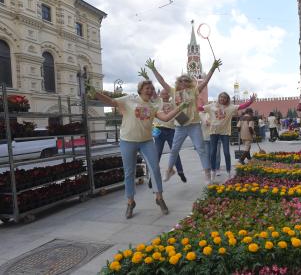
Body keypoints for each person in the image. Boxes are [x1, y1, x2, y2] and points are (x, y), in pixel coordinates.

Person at [86, 80, 188, 219]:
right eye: (147, 88)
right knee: (129, 172)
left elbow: (165, 118)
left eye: (152, 89)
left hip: (146, 141)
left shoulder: (153, 105)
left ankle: (159, 198)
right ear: (140, 89)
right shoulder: (129, 99)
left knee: (155, 168)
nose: (150, 90)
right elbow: (111, 102)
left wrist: (180, 107)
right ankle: (130, 202)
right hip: (127, 141)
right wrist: (95, 93)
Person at [146, 58, 222, 182]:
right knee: (174, 149)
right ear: (178, 82)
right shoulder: (173, 91)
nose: (184, 83)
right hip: (180, 124)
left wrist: (213, 68)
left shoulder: (194, 91)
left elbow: (206, 80)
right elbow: (162, 81)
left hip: (193, 124)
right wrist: (153, 69)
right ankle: (169, 170)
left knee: (200, 148)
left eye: (186, 81)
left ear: (190, 82)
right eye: (181, 81)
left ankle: (207, 173)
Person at [200, 92, 255, 181]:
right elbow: (200, 108)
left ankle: (228, 172)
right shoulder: (212, 106)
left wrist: (250, 101)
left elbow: (242, 106)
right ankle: (213, 171)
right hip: (214, 132)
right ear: (218, 97)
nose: (222, 99)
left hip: (225, 133)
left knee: (226, 152)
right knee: (213, 152)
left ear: (227, 99)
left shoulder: (230, 107)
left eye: (224, 97)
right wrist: (190, 104)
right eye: (221, 97)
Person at [152, 89, 187, 185]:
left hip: (172, 130)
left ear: (169, 95)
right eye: (162, 93)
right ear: (160, 94)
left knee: (175, 151)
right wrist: (147, 78)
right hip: (159, 130)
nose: (165, 94)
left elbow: (181, 117)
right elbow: (153, 92)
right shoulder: (158, 101)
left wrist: (187, 126)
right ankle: (153, 176)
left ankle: (180, 172)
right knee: (157, 153)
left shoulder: (173, 103)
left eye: (166, 93)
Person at [199, 109, 222, 176]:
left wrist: (212, 123)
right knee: (208, 155)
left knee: (217, 154)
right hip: (206, 137)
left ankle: (217, 169)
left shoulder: (215, 112)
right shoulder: (200, 114)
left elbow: (221, 123)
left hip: (216, 137)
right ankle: (209, 169)